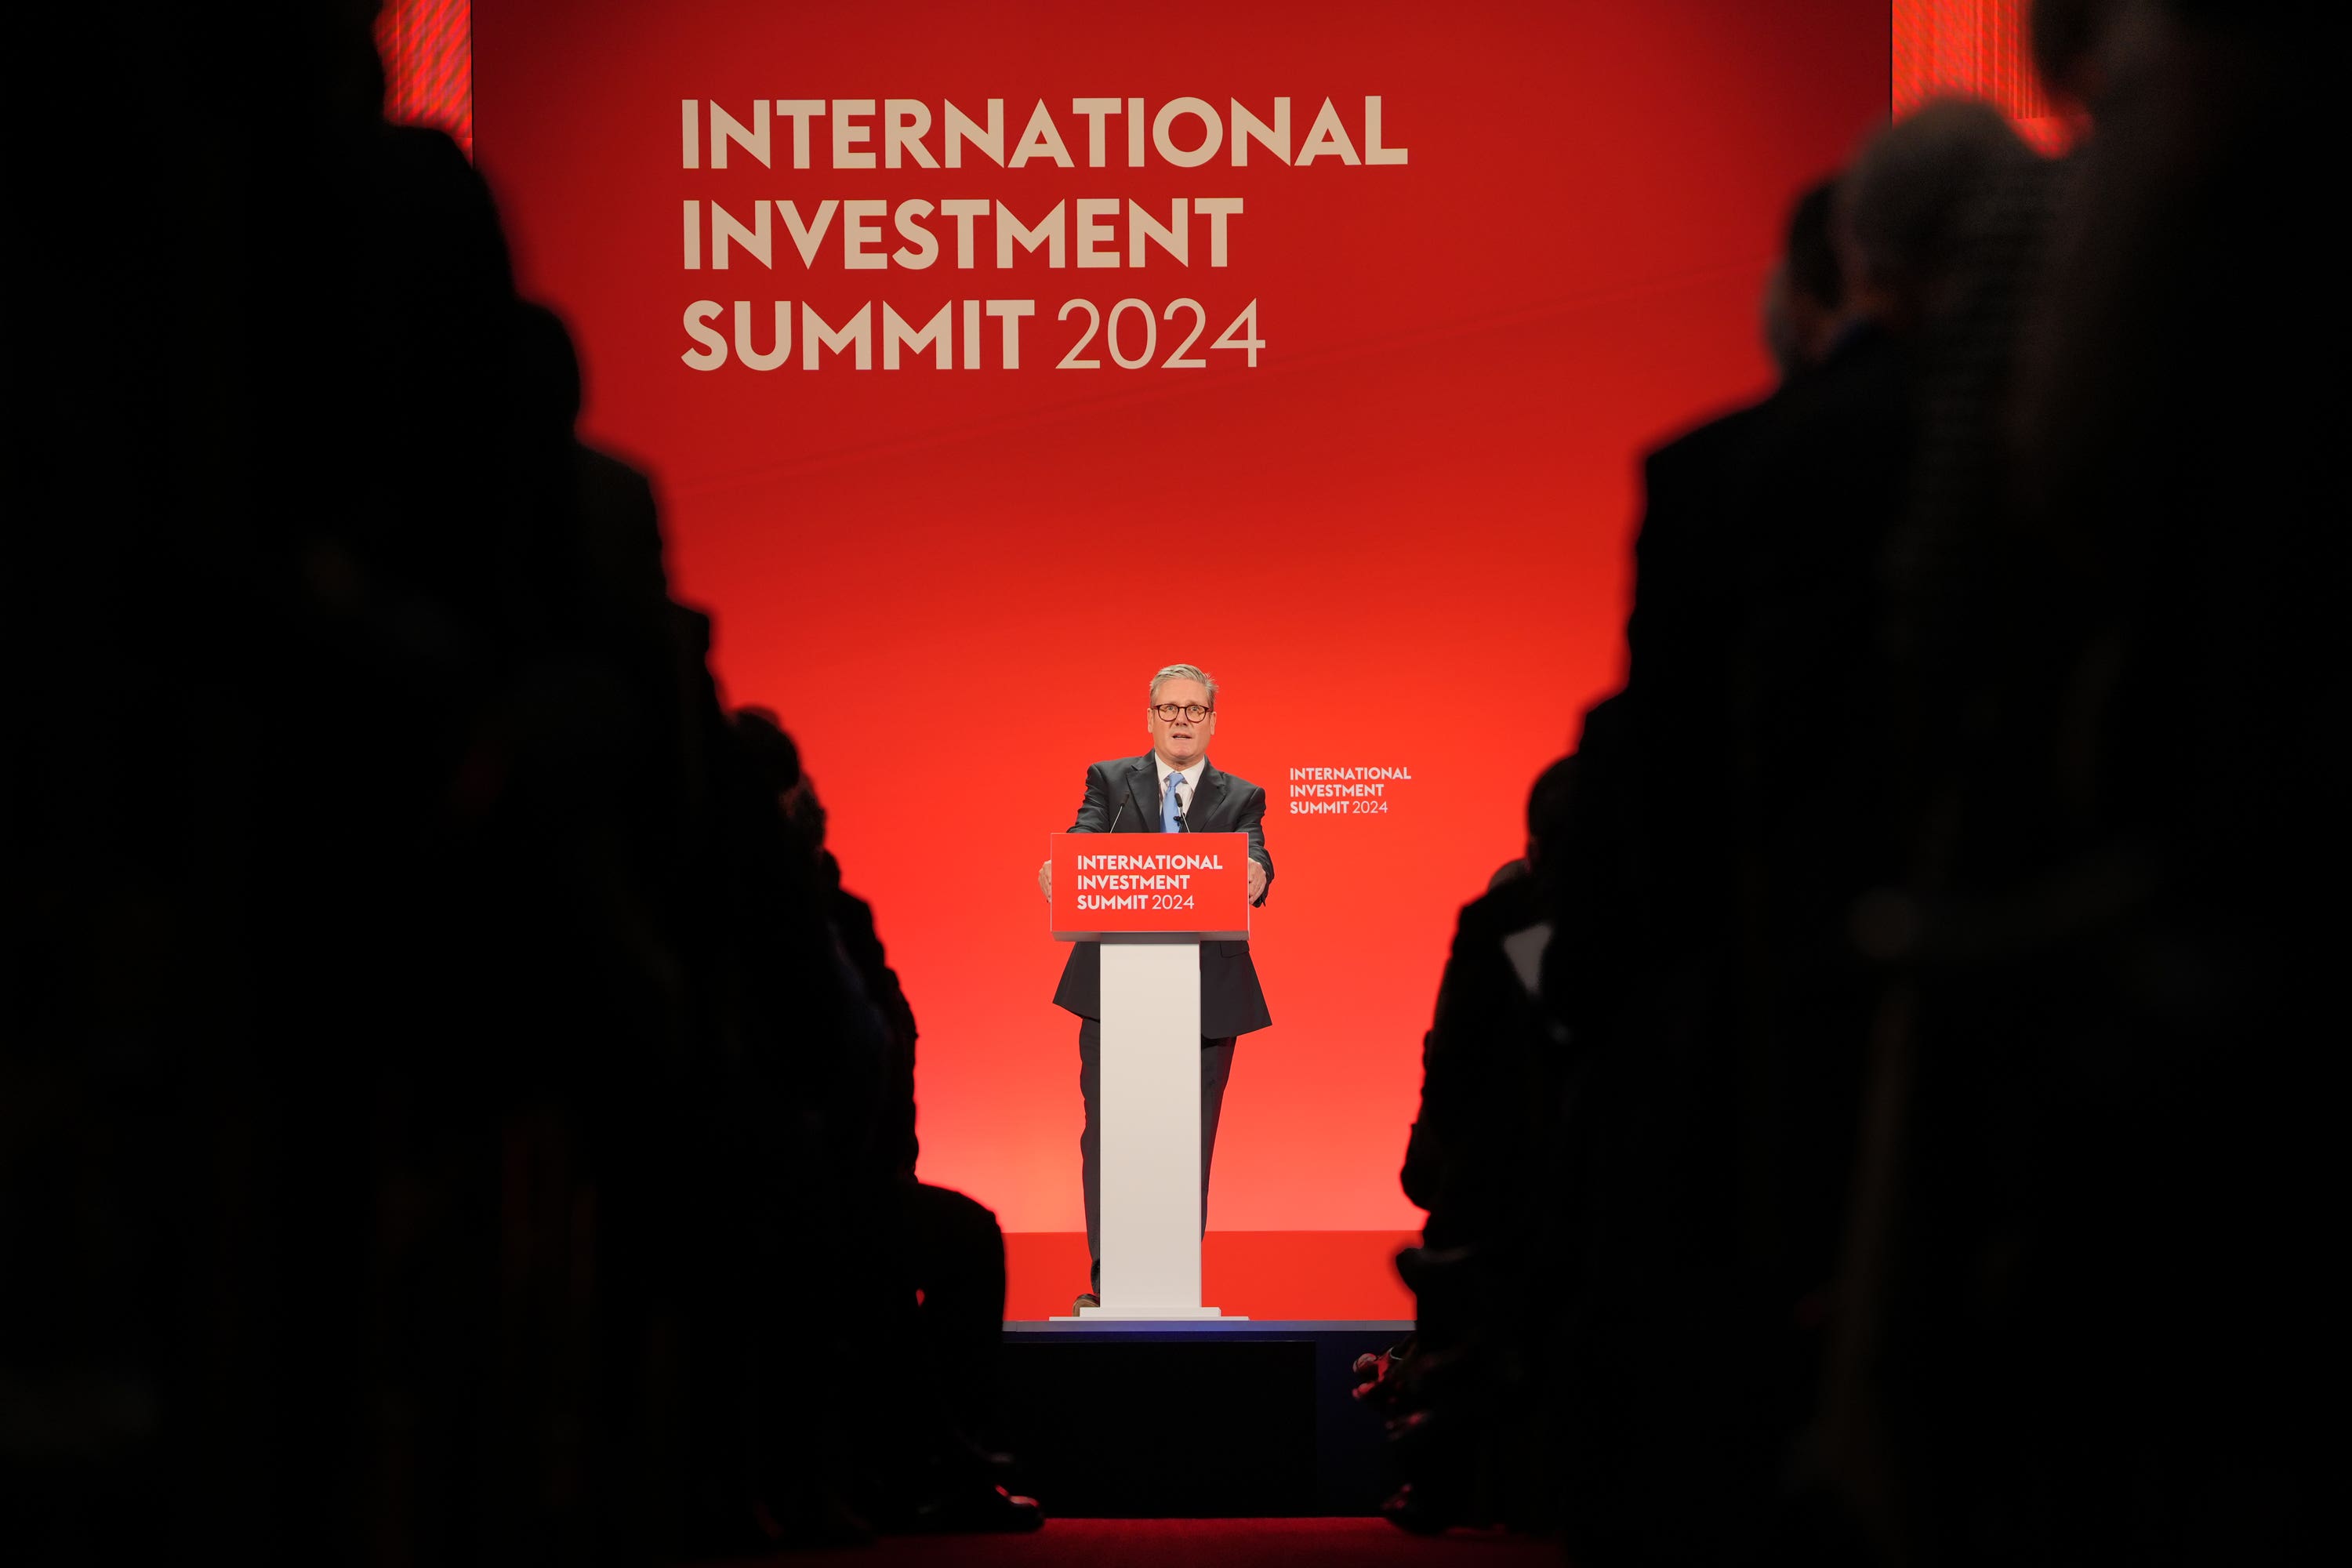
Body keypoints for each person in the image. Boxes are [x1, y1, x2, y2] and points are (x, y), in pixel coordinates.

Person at [1035, 663, 1273, 1313]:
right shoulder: (1111, 781)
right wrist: (1064, 868)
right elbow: (1084, 839)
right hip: (1115, 994)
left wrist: (1253, 872)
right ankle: (1111, 1282)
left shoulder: (1241, 794)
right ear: (1149, 718)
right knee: (1107, 1137)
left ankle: (1171, 1279)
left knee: (1189, 1140)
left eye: (1194, 710)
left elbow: (1256, 856)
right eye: (1169, 709)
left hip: (1205, 997)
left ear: (1212, 721)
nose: (1181, 721)